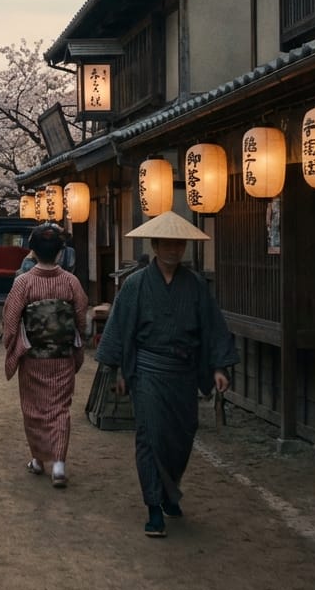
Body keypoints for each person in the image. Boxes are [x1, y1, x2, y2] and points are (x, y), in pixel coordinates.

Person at [95, 210, 239, 537]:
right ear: (155, 245)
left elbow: (212, 328)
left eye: (179, 245)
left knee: (181, 437)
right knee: (151, 436)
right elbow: (119, 328)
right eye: (168, 244)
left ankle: (170, 489)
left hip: (183, 371)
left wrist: (218, 367)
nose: (174, 250)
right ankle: (153, 507)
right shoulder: (135, 285)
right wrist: (117, 370)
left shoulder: (196, 286)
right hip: (147, 369)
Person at [2, 223, 89, 489]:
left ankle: (39, 458)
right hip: (61, 356)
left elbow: (11, 319)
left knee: (34, 408)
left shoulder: (24, 282)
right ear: (61, 252)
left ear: (33, 251)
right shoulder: (70, 282)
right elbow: (81, 317)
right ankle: (58, 463)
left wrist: (12, 345)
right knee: (60, 408)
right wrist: (76, 342)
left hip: (33, 355)